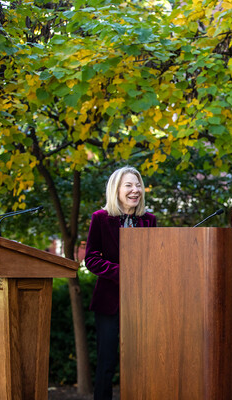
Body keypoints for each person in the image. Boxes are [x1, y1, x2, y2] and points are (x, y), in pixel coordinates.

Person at [85, 166, 157, 400]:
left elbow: (155, 259)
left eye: (138, 185)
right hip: (109, 303)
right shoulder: (101, 218)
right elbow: (91, 259)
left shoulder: (149, 220)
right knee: (106, 365)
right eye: (129, 185)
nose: (135, 190)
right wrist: (125, 273)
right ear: (116, 189)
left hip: (141, 303)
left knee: (141, 363)